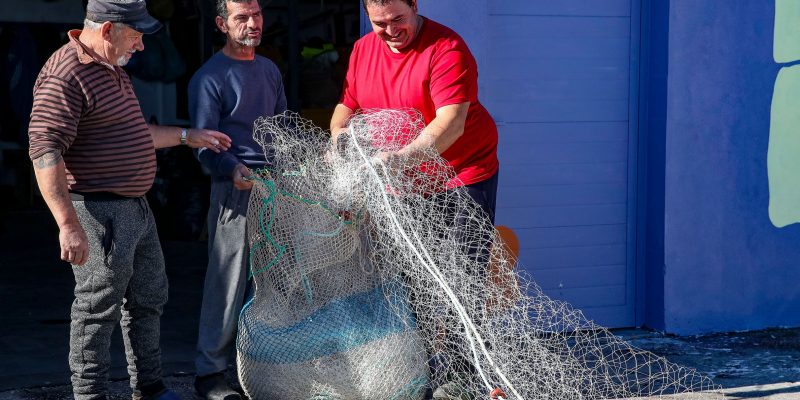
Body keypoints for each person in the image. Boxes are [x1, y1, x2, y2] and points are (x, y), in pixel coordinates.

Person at [27, 1, 232, 399]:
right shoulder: (65, 74)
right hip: (97, 212)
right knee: (96, 308)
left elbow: (136, 134)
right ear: (107, 30)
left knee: (148, 298)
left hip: (136, 208)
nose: (140, 46)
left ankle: (150, 388)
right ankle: (90, 395)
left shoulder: (113, 69)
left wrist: (188, 136)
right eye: (135, 36)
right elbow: (45, 150)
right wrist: (67, 224)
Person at [329, 1, 499, 399]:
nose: (390, 30)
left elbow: (452, 122)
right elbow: (347, 106)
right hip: (402, 184)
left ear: (415, 5)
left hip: (460, 173)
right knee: (411, 279)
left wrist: (401, 158)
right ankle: (423, 366)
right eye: (380, 23)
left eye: (398, 19)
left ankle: (462, 376)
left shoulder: (447, 48)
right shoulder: (363, 50)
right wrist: (338, 136)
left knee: (461, 277)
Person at [188, 0, 287, 398]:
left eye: (256, 15)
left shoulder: (270, 70)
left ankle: (264, 370)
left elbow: (282, 132)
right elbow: (202, 144)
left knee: (276, 283)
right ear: (221, 24)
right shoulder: (209, 77)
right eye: (241, 17)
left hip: (276, 190)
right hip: (234, 190)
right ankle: (210, 373)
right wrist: (232, 168)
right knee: (227, 283)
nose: (252, 23)